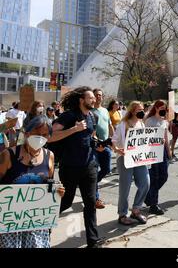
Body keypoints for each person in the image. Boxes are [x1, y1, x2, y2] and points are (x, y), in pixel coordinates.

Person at [51, 87, 105, 248]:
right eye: (90, 98)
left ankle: (92, 241)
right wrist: (74, 129)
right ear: (81, 100)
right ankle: (43, 224)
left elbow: (91, 136)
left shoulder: (93, 116)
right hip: (70, 167)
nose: (94, 100)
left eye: (94, 98)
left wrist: (98, 145)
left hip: (89, 166)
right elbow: (51, 136)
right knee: (66, 201)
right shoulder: (69, 115)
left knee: (90, 203)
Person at [0, 116, 65, 248]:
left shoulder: (49, 156)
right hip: (10, 225)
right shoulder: (8, 155)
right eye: (37, 133)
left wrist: (57, 192)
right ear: (27, 132)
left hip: (37, 224)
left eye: (45, 134)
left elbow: (49, 183)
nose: (40, 137)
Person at [111, 101, 150, 225]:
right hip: (125, 159)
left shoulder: (141, 124)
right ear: (132, 111)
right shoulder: (123, 124)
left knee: (145, 183)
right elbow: (114, 140)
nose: (141, 111)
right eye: (139, 109)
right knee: (125, 187)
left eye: (142, 109)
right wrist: (117, 149)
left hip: (139, 159)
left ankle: (136, 209)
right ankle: (122, 215)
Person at [144, 100, 171, 215]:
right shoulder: (149, 121)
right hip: (152, 151)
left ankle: (149, 196)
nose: (162, 109)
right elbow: (144, 137)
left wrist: (169, 151)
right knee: (154, 177)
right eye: (160, 107)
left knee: (164, 176)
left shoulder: (164, 121)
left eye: (164, 107)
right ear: (156, 108)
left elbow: (166, 137)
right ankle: (153, 204)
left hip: (163, 151)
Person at [92, 89, 115, 210]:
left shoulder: (105, 110)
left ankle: (91, 183)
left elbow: (109, 125)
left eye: (100, 95)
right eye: (96, 95)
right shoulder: (90, 111)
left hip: (106, 145)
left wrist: (114, 139)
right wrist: (96, 144)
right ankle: (96, 198)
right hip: (95, 146)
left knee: (107, 169)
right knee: (94, 171)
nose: (98, 97)